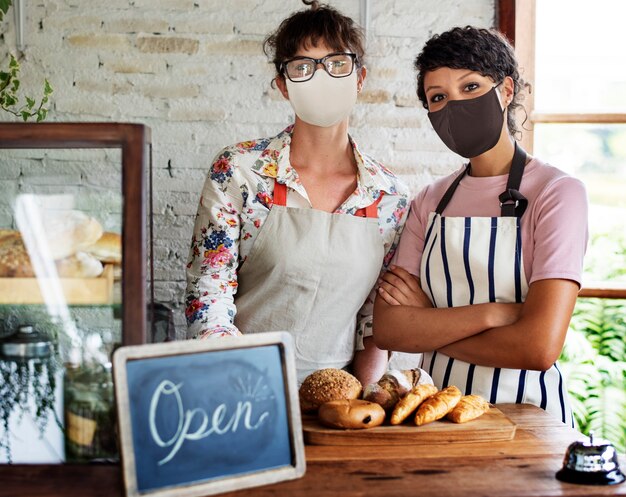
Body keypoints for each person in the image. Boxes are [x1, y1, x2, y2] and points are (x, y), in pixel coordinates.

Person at [185, 0, 409, 386]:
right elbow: (209, 290)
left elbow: (373, 321)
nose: (322, 78)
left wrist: (367, 396)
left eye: (337, 63)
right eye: (303, 67)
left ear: (359, 77)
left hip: (337, 398)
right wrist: (238, 382)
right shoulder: (241, 172)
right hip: (238, 383)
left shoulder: (390, 197)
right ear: (283, 87)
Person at [373, 26, 588, 425]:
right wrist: (495, 314)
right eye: (439, 97)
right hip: (437, 416)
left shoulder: (557, 193)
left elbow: (538, 348)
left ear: (505, 91)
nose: (455, 104)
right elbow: (390, 329)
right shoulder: (430, 200)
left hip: (528, 420)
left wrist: (430, 322)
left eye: (470, 87)